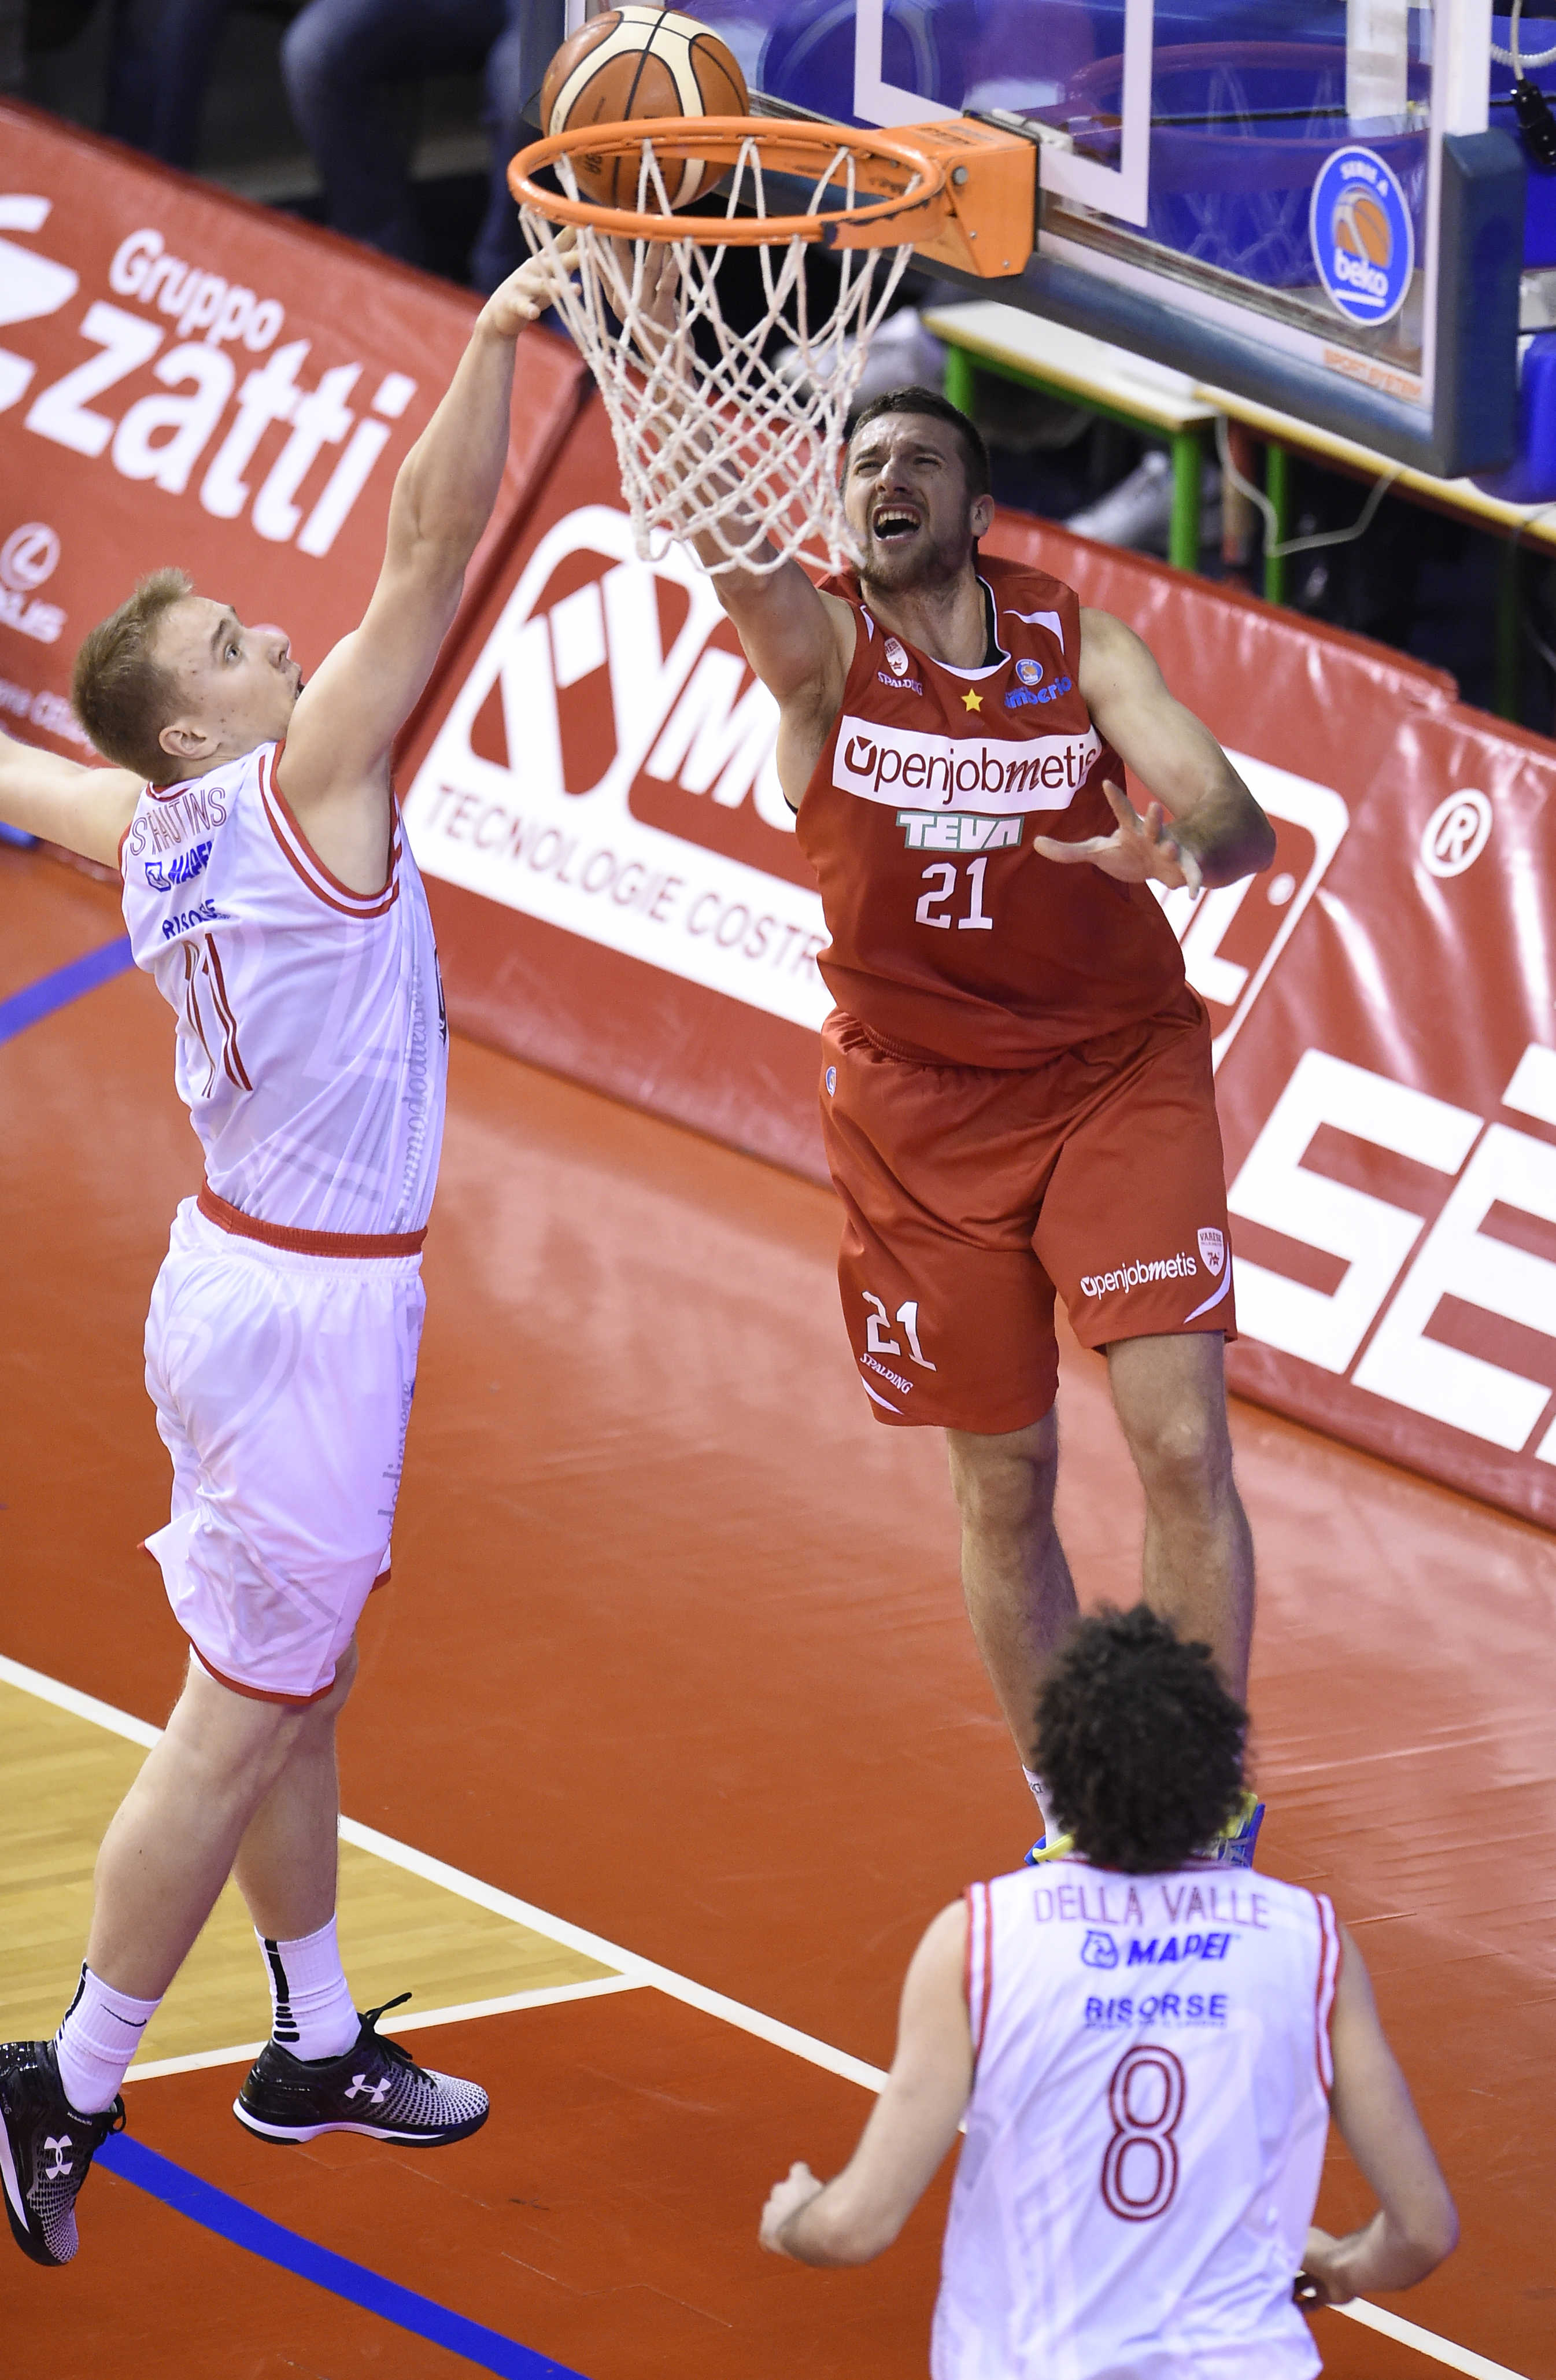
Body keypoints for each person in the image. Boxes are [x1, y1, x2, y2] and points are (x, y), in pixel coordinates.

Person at [0, 235, 574, 2270]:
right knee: (240, 1707)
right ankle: (68, 2073)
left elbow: (23, 775)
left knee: (295, 1681)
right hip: (304, 1308)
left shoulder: (144, 826)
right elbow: (427, 546)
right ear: (195, 731)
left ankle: (314, 2042)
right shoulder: (301, 789)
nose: (276, 643)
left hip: (240, 1281)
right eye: (236, 647)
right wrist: (493, 338)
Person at [685, 378, 1277, 1861]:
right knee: (1005, 1477)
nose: (885, 477)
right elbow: (736, 561)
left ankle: (1196, 1806)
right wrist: (663, 351)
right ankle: (1076, 1812)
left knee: (1180, 1445)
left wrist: (1176, 855)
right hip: (918, 1111)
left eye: (918, 460)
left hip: (1112, 1075)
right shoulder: (822, 653)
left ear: (981, 510)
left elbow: (1231, 817)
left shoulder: (1076, 641)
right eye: (863, 464)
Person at [758, 1606, 1458, 2377]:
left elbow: (853, 2229)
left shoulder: (980, 1937)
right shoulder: (1311, 1941)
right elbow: (1423, 2232)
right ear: (1220, 1771)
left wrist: (794, 2220)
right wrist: (1346, 2267)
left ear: (1061, 1768)